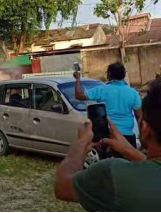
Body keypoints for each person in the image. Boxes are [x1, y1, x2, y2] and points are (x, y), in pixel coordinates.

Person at [54, 78, 161, 211]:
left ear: (145, 128)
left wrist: (80, 144)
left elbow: (61, 186)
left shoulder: (113, 174)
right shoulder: (131, 92)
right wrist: (129, 150)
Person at [74, 62, 141, 149]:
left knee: (109, 162)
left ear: (109, 74)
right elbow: (139, 116)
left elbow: (79, 95)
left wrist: (78, 78)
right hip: (128, 136)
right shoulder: (133, 93)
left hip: (108, 136)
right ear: (124, 75)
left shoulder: (101, 90)